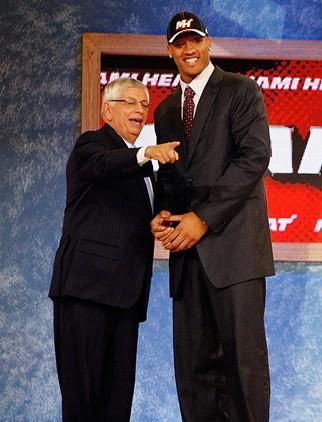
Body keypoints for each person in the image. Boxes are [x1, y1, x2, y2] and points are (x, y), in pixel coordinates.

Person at [150, 11, 275, 422]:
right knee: (194, 372)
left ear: (208, 43)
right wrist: (162, 212)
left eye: (195, 40)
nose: (189, 48)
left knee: (243, 366)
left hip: (235, 252)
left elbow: (254, 157)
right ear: (170, 51)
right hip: (188, 260)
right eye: (180, 43)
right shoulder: (166, 110)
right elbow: (172, 176)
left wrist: (201, 219)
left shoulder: (240, 90)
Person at [49, 77, 180, 421]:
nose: (140, 109)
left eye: (145, 104)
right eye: (130, 102)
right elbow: (104, 165)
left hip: (126, 297)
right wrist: (147, 152)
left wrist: (159, 219)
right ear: (107, 110)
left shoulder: (144, 167)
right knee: (84, 401)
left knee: (116, 406)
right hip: (87, 292)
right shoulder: (92, 145)